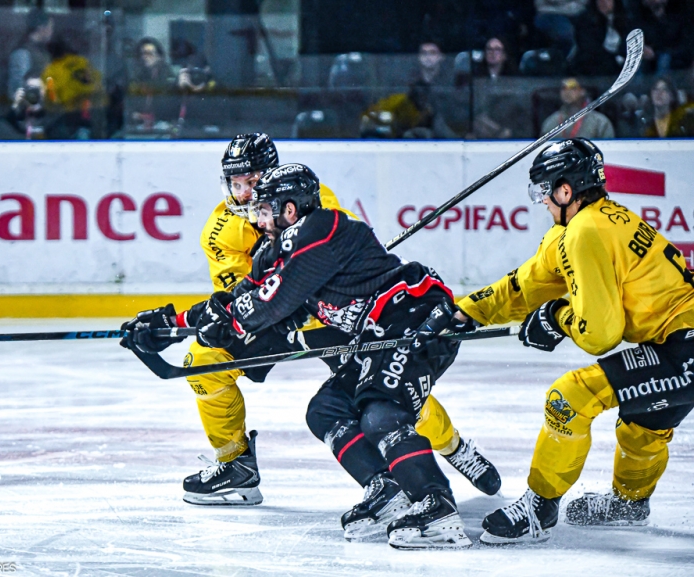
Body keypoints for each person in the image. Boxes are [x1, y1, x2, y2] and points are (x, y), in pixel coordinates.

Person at [122, 162, 501, 549]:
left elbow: (272, 303)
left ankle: (436, 508)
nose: (257, 217)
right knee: (325, 410)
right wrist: (171, 324)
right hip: (371, 334)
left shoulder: (320, 228)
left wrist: (235, 322)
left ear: (289, 209)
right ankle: (387, 491)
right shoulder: (275, 250)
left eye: (264, 209)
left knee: (381, 412)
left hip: (412, 318)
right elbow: (240, 297)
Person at [442, 138, 694, 544]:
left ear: (565, 190)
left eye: (544, 191)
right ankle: (628, 506)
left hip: (685, 347)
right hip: (675, 344)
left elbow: (600, 333)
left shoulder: (584, 232)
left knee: (569, 397)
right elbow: (525, 286)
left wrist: (557, 318)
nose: (541, 201)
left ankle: (538, 509)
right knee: (642, 422)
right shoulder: (587, 224)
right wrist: (464, 311)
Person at [127, 37, 176, 131]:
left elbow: (169, 108)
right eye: (142, 54)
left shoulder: (169, 78)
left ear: (159, 56)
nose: (144, 57)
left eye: (149, 54)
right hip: (138, 128)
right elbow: (130, 106)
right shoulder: (136, 77)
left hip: (162, 128)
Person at [541, 78, 615, 139]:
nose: (567, 92)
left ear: (583, 91)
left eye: (573, 88)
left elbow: (609, 148)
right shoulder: (551, 122)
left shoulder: (600, 122)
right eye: (564, 88)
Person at [8, 9, 54, 99]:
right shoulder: (22, 53)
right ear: (41, 28)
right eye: (50, 27)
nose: (51, 32)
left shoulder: (43, 52)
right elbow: (17, 90)